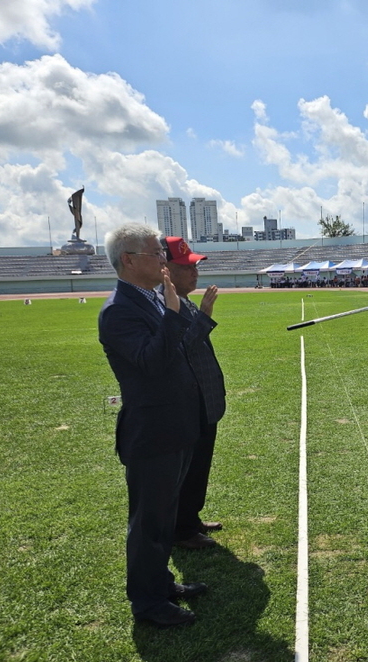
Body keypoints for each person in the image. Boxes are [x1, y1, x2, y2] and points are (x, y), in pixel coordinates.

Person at [98, 223, 207, 627]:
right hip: (152, 432)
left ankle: (160, 584)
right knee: (148, 524)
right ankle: (147, 602)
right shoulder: (118, 311)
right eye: (155, 254)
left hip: (175, 426)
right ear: (128, 260)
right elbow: (151, 362)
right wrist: (175, 315)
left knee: (164, 516)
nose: (163, 260)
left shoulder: (152, 299)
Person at [161, 236, 227, 550]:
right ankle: (183, 529)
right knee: (189, 469)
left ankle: (191, 519)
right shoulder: (167, 303)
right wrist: (204, 315)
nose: (194, 274)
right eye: (186, 268)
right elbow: (180, 350)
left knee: (199, 465)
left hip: (203, 402)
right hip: (189, 404)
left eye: (195, 267)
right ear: (166, 269)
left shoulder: (182, 299)